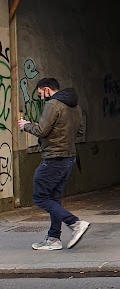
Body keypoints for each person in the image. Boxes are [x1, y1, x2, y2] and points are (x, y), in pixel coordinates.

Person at [17, 78, 89, 251]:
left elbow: (42, 130)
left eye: (41, 94)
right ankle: (53, 239)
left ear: (47, 90)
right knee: (54, 199)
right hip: (69, 158)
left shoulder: (53, 104)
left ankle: (75, 223)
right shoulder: (75, 106)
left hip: (54, 158)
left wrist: (26, 125)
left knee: (40, 197)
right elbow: (80, 131)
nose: (41, 97)